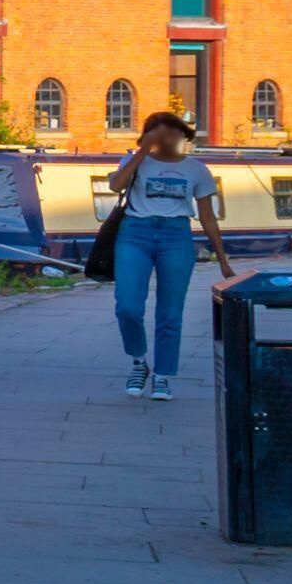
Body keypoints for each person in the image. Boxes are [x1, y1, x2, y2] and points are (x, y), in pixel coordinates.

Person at [109, 111, 230, 398]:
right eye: (159, 133)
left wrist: (223, 259)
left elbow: (207, 217)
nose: (167, 138)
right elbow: (115, 185)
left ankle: (162, 375)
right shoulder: (135, 161)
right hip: (135, 233)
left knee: (170, 312)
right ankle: (139, 361)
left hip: (176, 236)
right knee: (127, 307)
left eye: (173, 132)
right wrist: (142, 151)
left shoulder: (196, 170)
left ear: (183, 136)